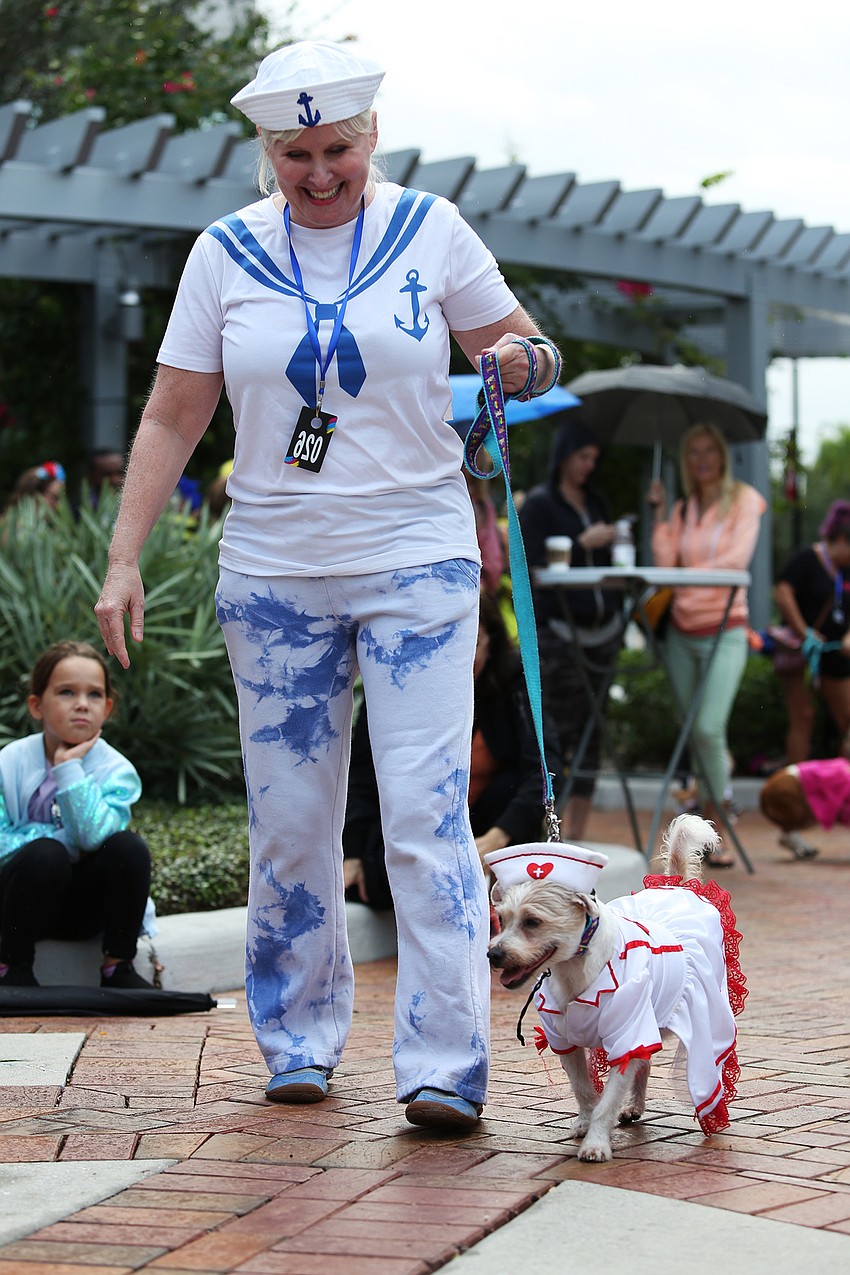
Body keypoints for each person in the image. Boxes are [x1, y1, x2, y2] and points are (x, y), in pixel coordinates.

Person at [94, 41, 562, 1131]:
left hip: (417, 558)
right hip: (274, 572)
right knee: (292, 824)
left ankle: (444, 1063)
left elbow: (533, 351)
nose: (318, 174)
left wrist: (518, 364)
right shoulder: (224, 252)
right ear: (267, 151)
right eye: (295, 154)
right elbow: (173, 413)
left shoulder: (429, 230)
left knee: (423, 816)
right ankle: (298, 1042)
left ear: (371, 138)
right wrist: (123, 556)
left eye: (337, 150)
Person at [343, 591, 562, 908]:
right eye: (445, 646)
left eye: (471, 644)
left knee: (512, 784)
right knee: (378, 880)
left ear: (491, 641)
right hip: (413, 830)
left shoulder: (515, 680)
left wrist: (497, 837)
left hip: (488, 829)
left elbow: (543, 767)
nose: (457, 660)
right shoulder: (391, 683)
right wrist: (351, 854)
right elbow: (362, 774)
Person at [0, 641, 154, 988]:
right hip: (16, 904)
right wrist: (58, 843)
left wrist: (69, 769)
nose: (82, 704)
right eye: (67, 692)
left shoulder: (117, 771)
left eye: (94, 694)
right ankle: (13, 966)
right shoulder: (8, 761)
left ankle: (117, 967)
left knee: (128, 847)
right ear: (37, 705)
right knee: (46, 854)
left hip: (83, 911)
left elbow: (93, 837)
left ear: (107, 707)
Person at [647, 422, 766, 866]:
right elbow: (665, 564)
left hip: (725, 626)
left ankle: (720, 830)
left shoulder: (745, 500)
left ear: (722, 456)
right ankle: (704, 830)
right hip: (682, 629)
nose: (701, 459)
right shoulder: (683, 508)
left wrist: (686, 577)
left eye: (708, 450)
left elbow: (736, 561)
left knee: (708, 729)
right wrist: (661, 515)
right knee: (694, 733)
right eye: (693, 452)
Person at [519, 415, 623, 840]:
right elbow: (529, 567)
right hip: (560, 631)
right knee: (558, 730)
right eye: (582, 456)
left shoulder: (597, 502)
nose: (588, 466)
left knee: (592, 733)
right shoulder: (540, 505)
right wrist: (582, 545)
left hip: (603, 629)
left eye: (593, 458)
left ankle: (577, 834)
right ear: (563, 456)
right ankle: (551, 832)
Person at [773, 500, 850, 762]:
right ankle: (799, 781)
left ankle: (842, 782)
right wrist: (803, 631)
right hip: (803, 652)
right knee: (803, 717)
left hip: (836, 654)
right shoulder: (808, 558)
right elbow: (783, 592)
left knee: (847, 718)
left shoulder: (846, 571)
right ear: (842, 539)